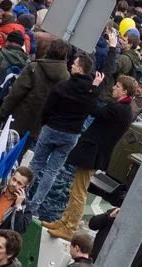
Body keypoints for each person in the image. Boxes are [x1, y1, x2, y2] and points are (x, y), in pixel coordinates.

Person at [44, 73, 137, 240]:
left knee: (79, 190)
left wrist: (94, 87)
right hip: (95, 153)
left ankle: (69, 227)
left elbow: (94, 109)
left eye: (117, 86)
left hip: (93, 153)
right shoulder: (124, 109)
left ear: (124, 91)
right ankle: (63, 221)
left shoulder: (118, 109)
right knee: (76, 188)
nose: (114, 88)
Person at [25, 51, 95, 216]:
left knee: (36, 164)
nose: (71, 65)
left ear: (80, 68)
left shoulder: (63, 86)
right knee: (52, 171)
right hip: (71, 135)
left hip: (52, 128)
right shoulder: (91, 92)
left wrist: (45, 122)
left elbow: (48, 108)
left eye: (75, 64)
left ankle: (22, 194)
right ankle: (35, 205)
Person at [0, 38, 71, 141]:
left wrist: (4, 110)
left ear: (50, 50)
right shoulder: (66, 77)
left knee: (4, 151)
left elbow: (17, 92)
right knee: (18, 154)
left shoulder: (35, 67)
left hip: (19, 118)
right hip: (39, 125)